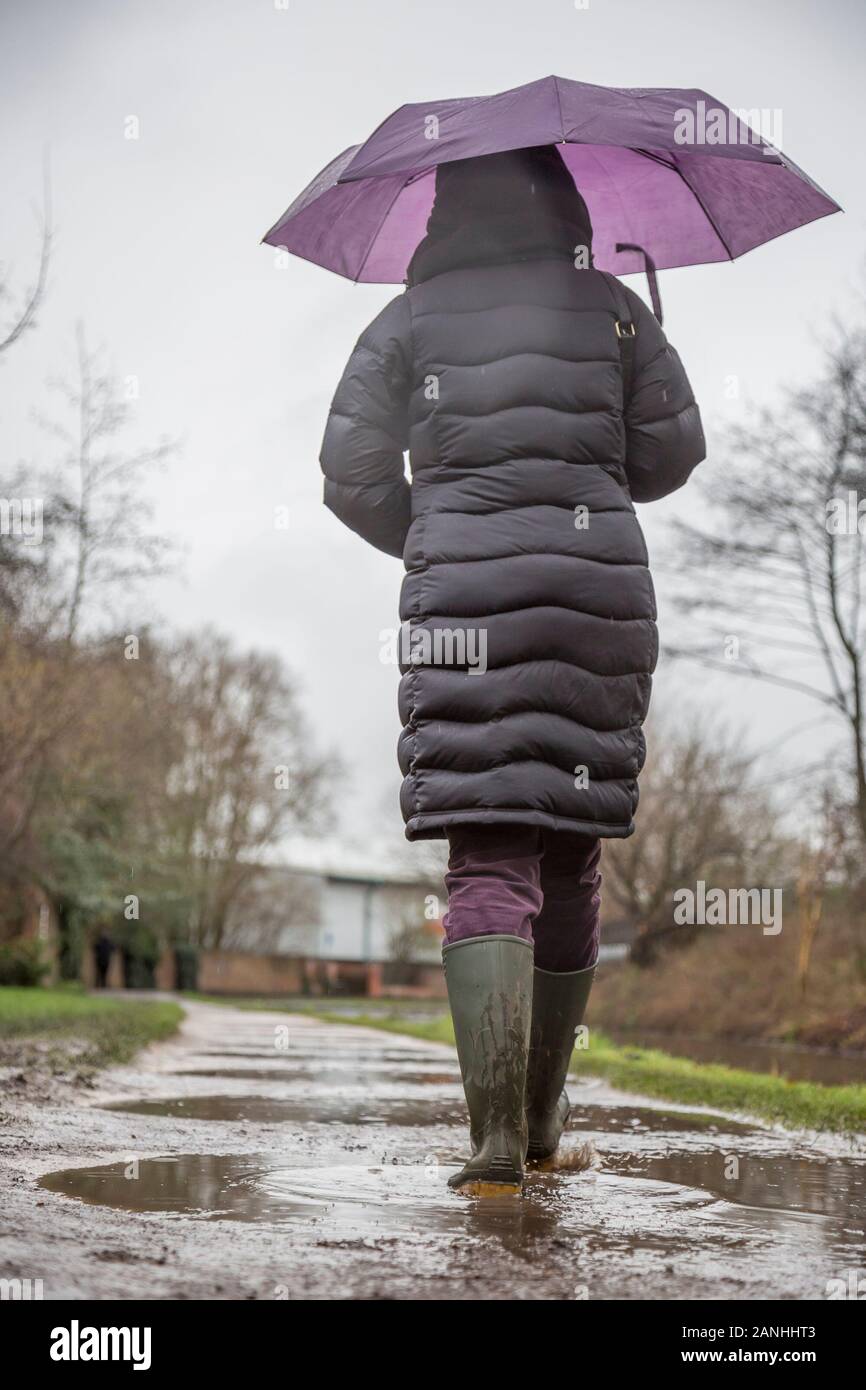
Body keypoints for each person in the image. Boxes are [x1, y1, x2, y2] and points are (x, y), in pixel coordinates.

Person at [320, 145, 705, 1195]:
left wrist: (439, 532)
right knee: (572, 852)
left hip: (462, 611)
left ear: (443, 210)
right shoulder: (613, 309)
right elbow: (671, 456)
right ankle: (540, 1124)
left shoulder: (408, 322)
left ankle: (491, 1141)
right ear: (566, 202)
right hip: (599, 601)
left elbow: (348, 474)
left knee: (488, 854)